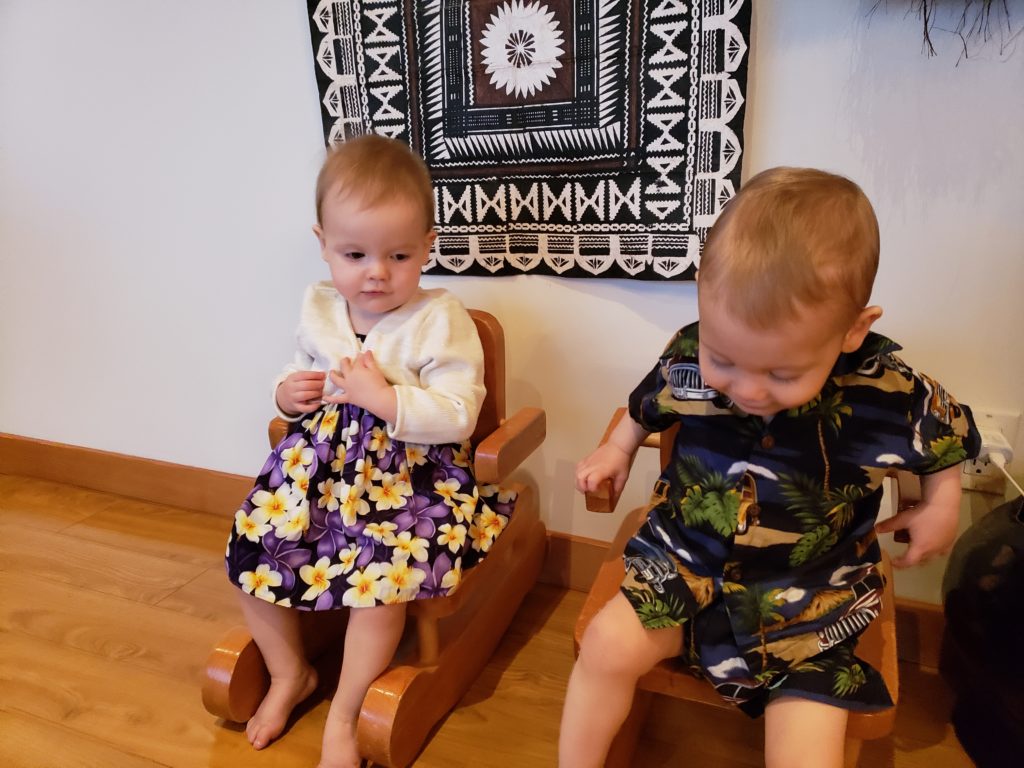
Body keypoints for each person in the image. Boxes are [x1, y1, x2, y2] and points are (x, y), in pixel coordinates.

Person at [562, 167, 980, 768]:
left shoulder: (885, 388)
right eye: (723, 359)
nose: (748, 389)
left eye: (781, 373)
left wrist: (941, 504)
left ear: (852, 330)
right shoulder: (689, 349)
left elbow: (949, 435)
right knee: (605, 647)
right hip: (683, 562)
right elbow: (647, 404)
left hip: (811, 596)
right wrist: (618, 448)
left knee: (809, 737)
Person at [224, 134, 514, 768]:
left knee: (379, 582)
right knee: (250, 551)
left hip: (408, 482)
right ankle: (289, 674)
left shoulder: (442, 318)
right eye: (354, 253)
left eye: (399, 254)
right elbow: (300, 370)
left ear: (428, 246)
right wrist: (288, 392)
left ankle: (348, 710)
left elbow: (461, 413)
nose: (376, 272)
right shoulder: (321, 309)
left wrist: (384, 399)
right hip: (318, 475)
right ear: (323, 244)